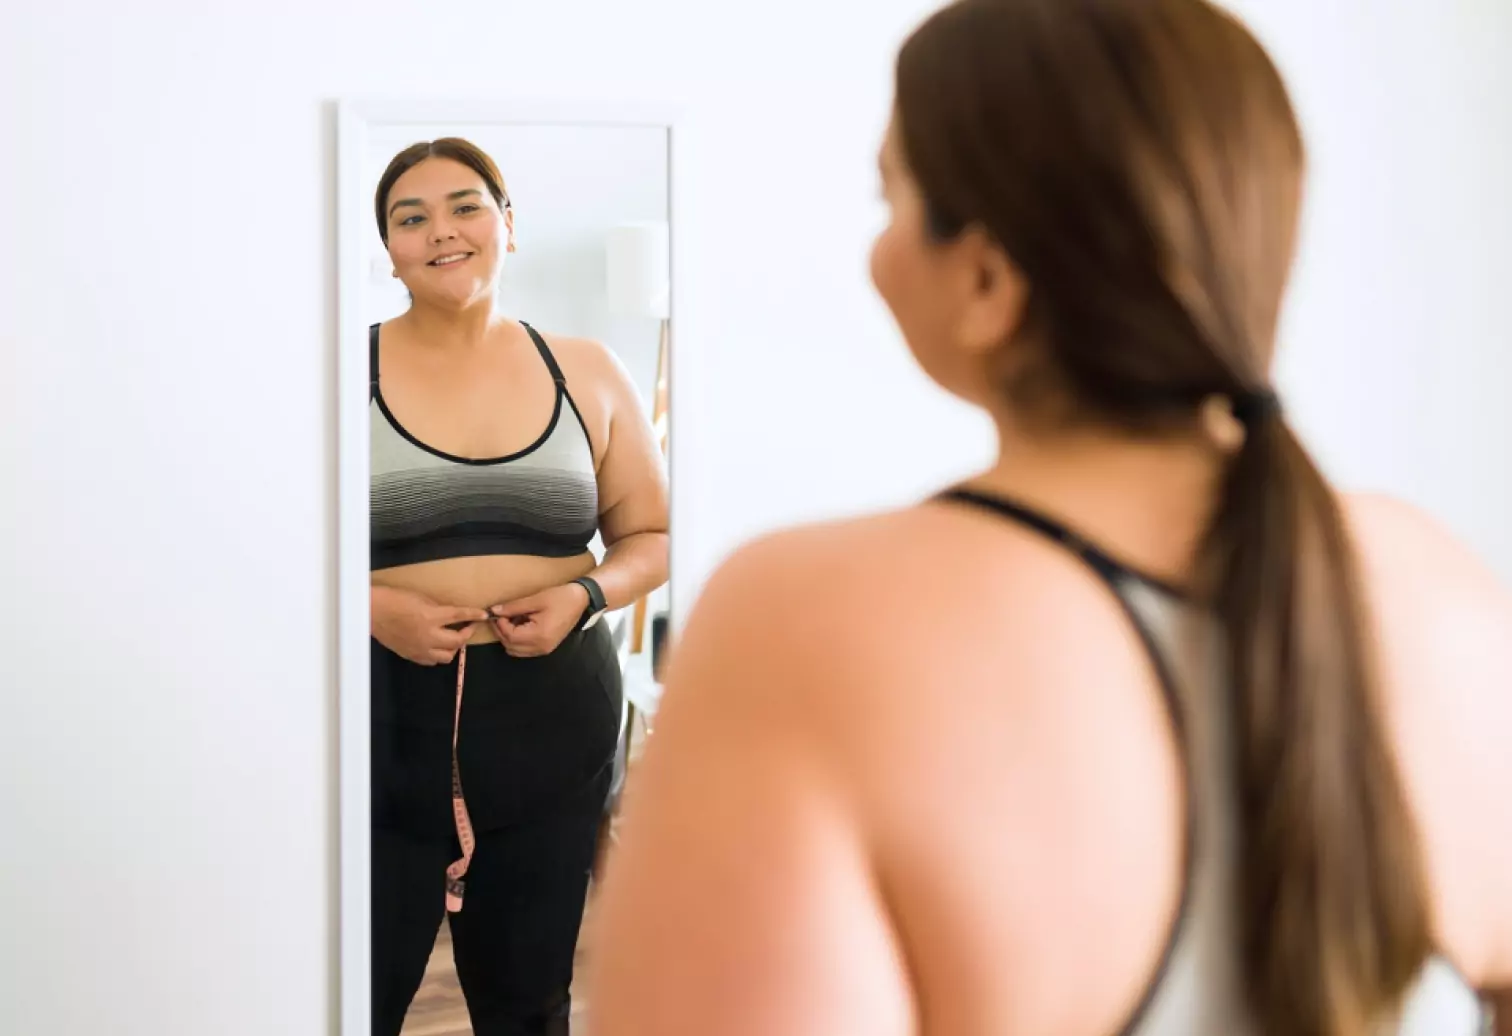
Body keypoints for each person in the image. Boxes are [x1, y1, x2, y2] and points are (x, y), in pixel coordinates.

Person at [586, 2, 1512, 1034]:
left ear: (985, 278)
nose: (878, 247)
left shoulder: (807, 624)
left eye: (889, 196)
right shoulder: (1443, 591)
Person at [367, 137, 668, 1036]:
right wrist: (368, 608)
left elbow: (652, 536)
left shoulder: (589, 371)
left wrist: (587, 597)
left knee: (528, 1000)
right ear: (388, 249)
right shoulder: (335, 374)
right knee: (354, 994)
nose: (440, 231)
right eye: (409, 217)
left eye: (465, 206)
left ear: (508, 225)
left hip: (551, 717)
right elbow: (254, 551)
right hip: (379, 714)